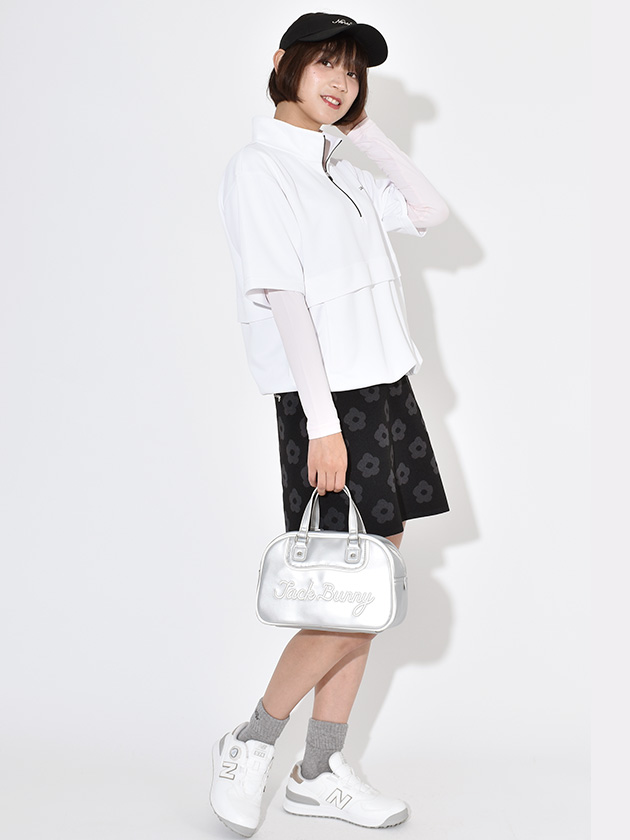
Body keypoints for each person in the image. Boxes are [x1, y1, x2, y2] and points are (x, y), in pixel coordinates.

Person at [210, 12, 450, 836]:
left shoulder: (338, 172)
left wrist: (364, 135)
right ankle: (253, 740)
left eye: (351, 71)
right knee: (344, 592)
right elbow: (284, 300)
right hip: (330, 404)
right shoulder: (259, 170)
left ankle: (318, 770)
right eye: (325, 64)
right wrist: (321, 423)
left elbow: (428, 210)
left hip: (384, 392)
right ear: (284, 63)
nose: (340, 81)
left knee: (369, 586)